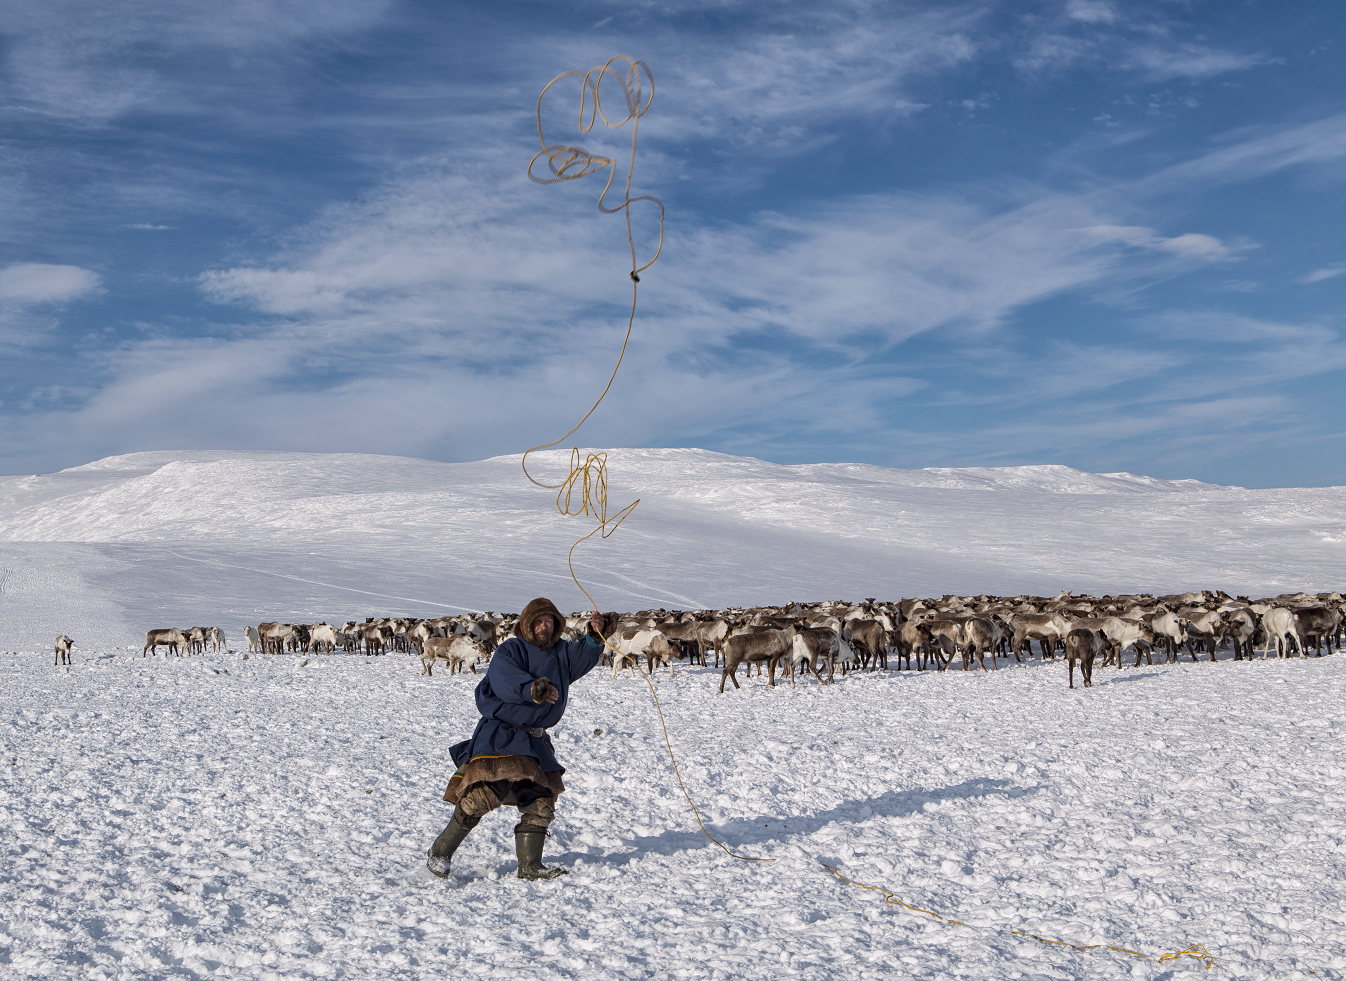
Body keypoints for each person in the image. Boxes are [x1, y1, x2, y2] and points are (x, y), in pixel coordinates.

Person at [427, 598, 615, 881]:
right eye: (538, 622)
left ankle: (529, 866)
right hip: (503, 733)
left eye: (549, 622)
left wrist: (594, 636)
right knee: (483, 795)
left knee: (541, 800)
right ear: (527, 624)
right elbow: (504, 679)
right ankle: (440, 851)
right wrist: (532, 689)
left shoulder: (560, 652)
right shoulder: (511, 649)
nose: (544, 627)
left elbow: (582, 656)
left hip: (536, 740)